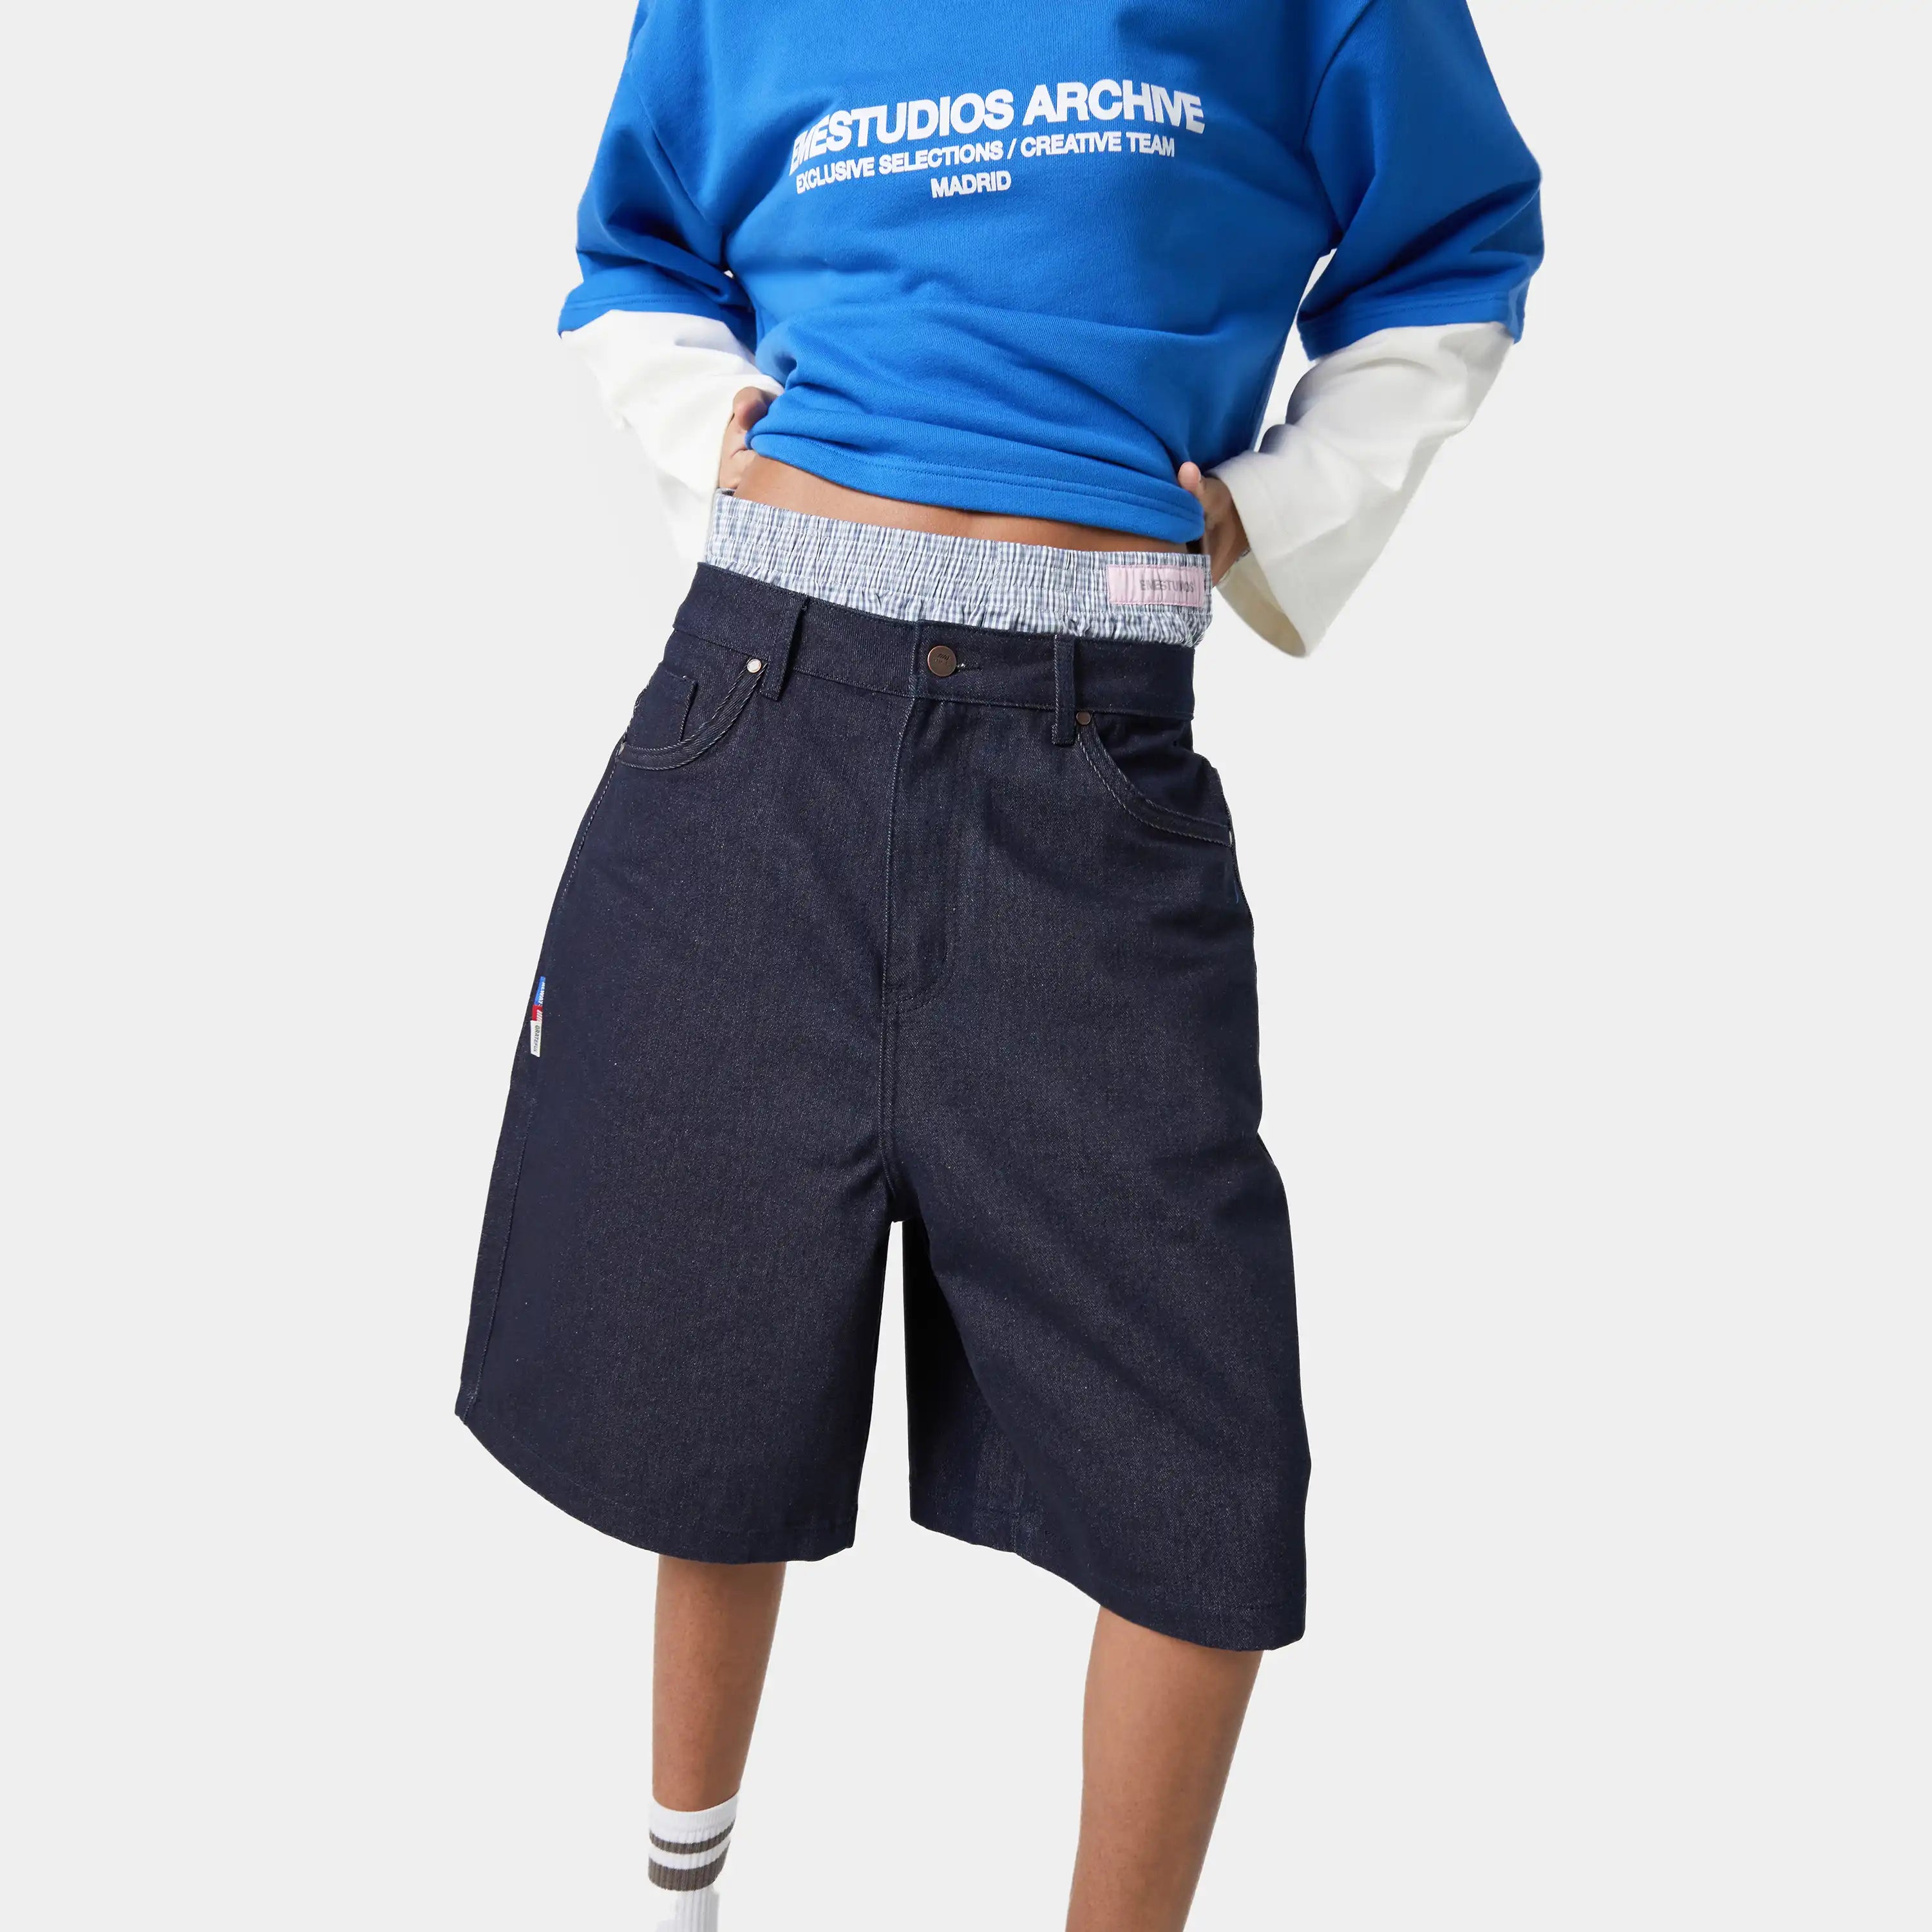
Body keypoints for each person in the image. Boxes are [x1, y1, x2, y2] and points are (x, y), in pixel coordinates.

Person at [455, 4, 1540, 1926]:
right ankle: (678, 1905)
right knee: (716, 1384)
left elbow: (1459, 245)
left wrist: (1272, 510)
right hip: (754, 714)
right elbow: (635, 256)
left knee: (1209, 1486)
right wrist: (718, 439)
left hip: (1088, 758)